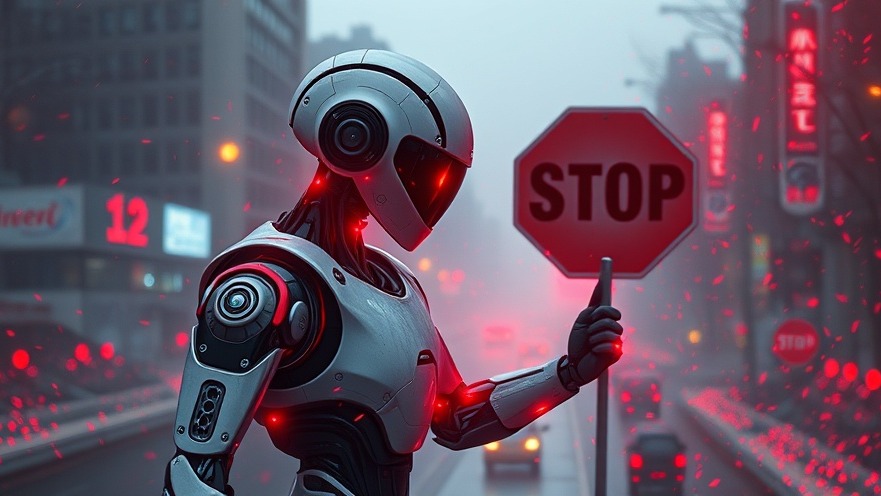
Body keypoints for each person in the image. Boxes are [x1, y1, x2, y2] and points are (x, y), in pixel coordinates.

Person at [162, 49, 623, 496]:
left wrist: (567, 373)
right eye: (426, 168)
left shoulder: (394, 281)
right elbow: (192, 472)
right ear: (358, 141)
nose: (433, 188)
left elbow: (455, 418)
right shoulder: (266, 285)